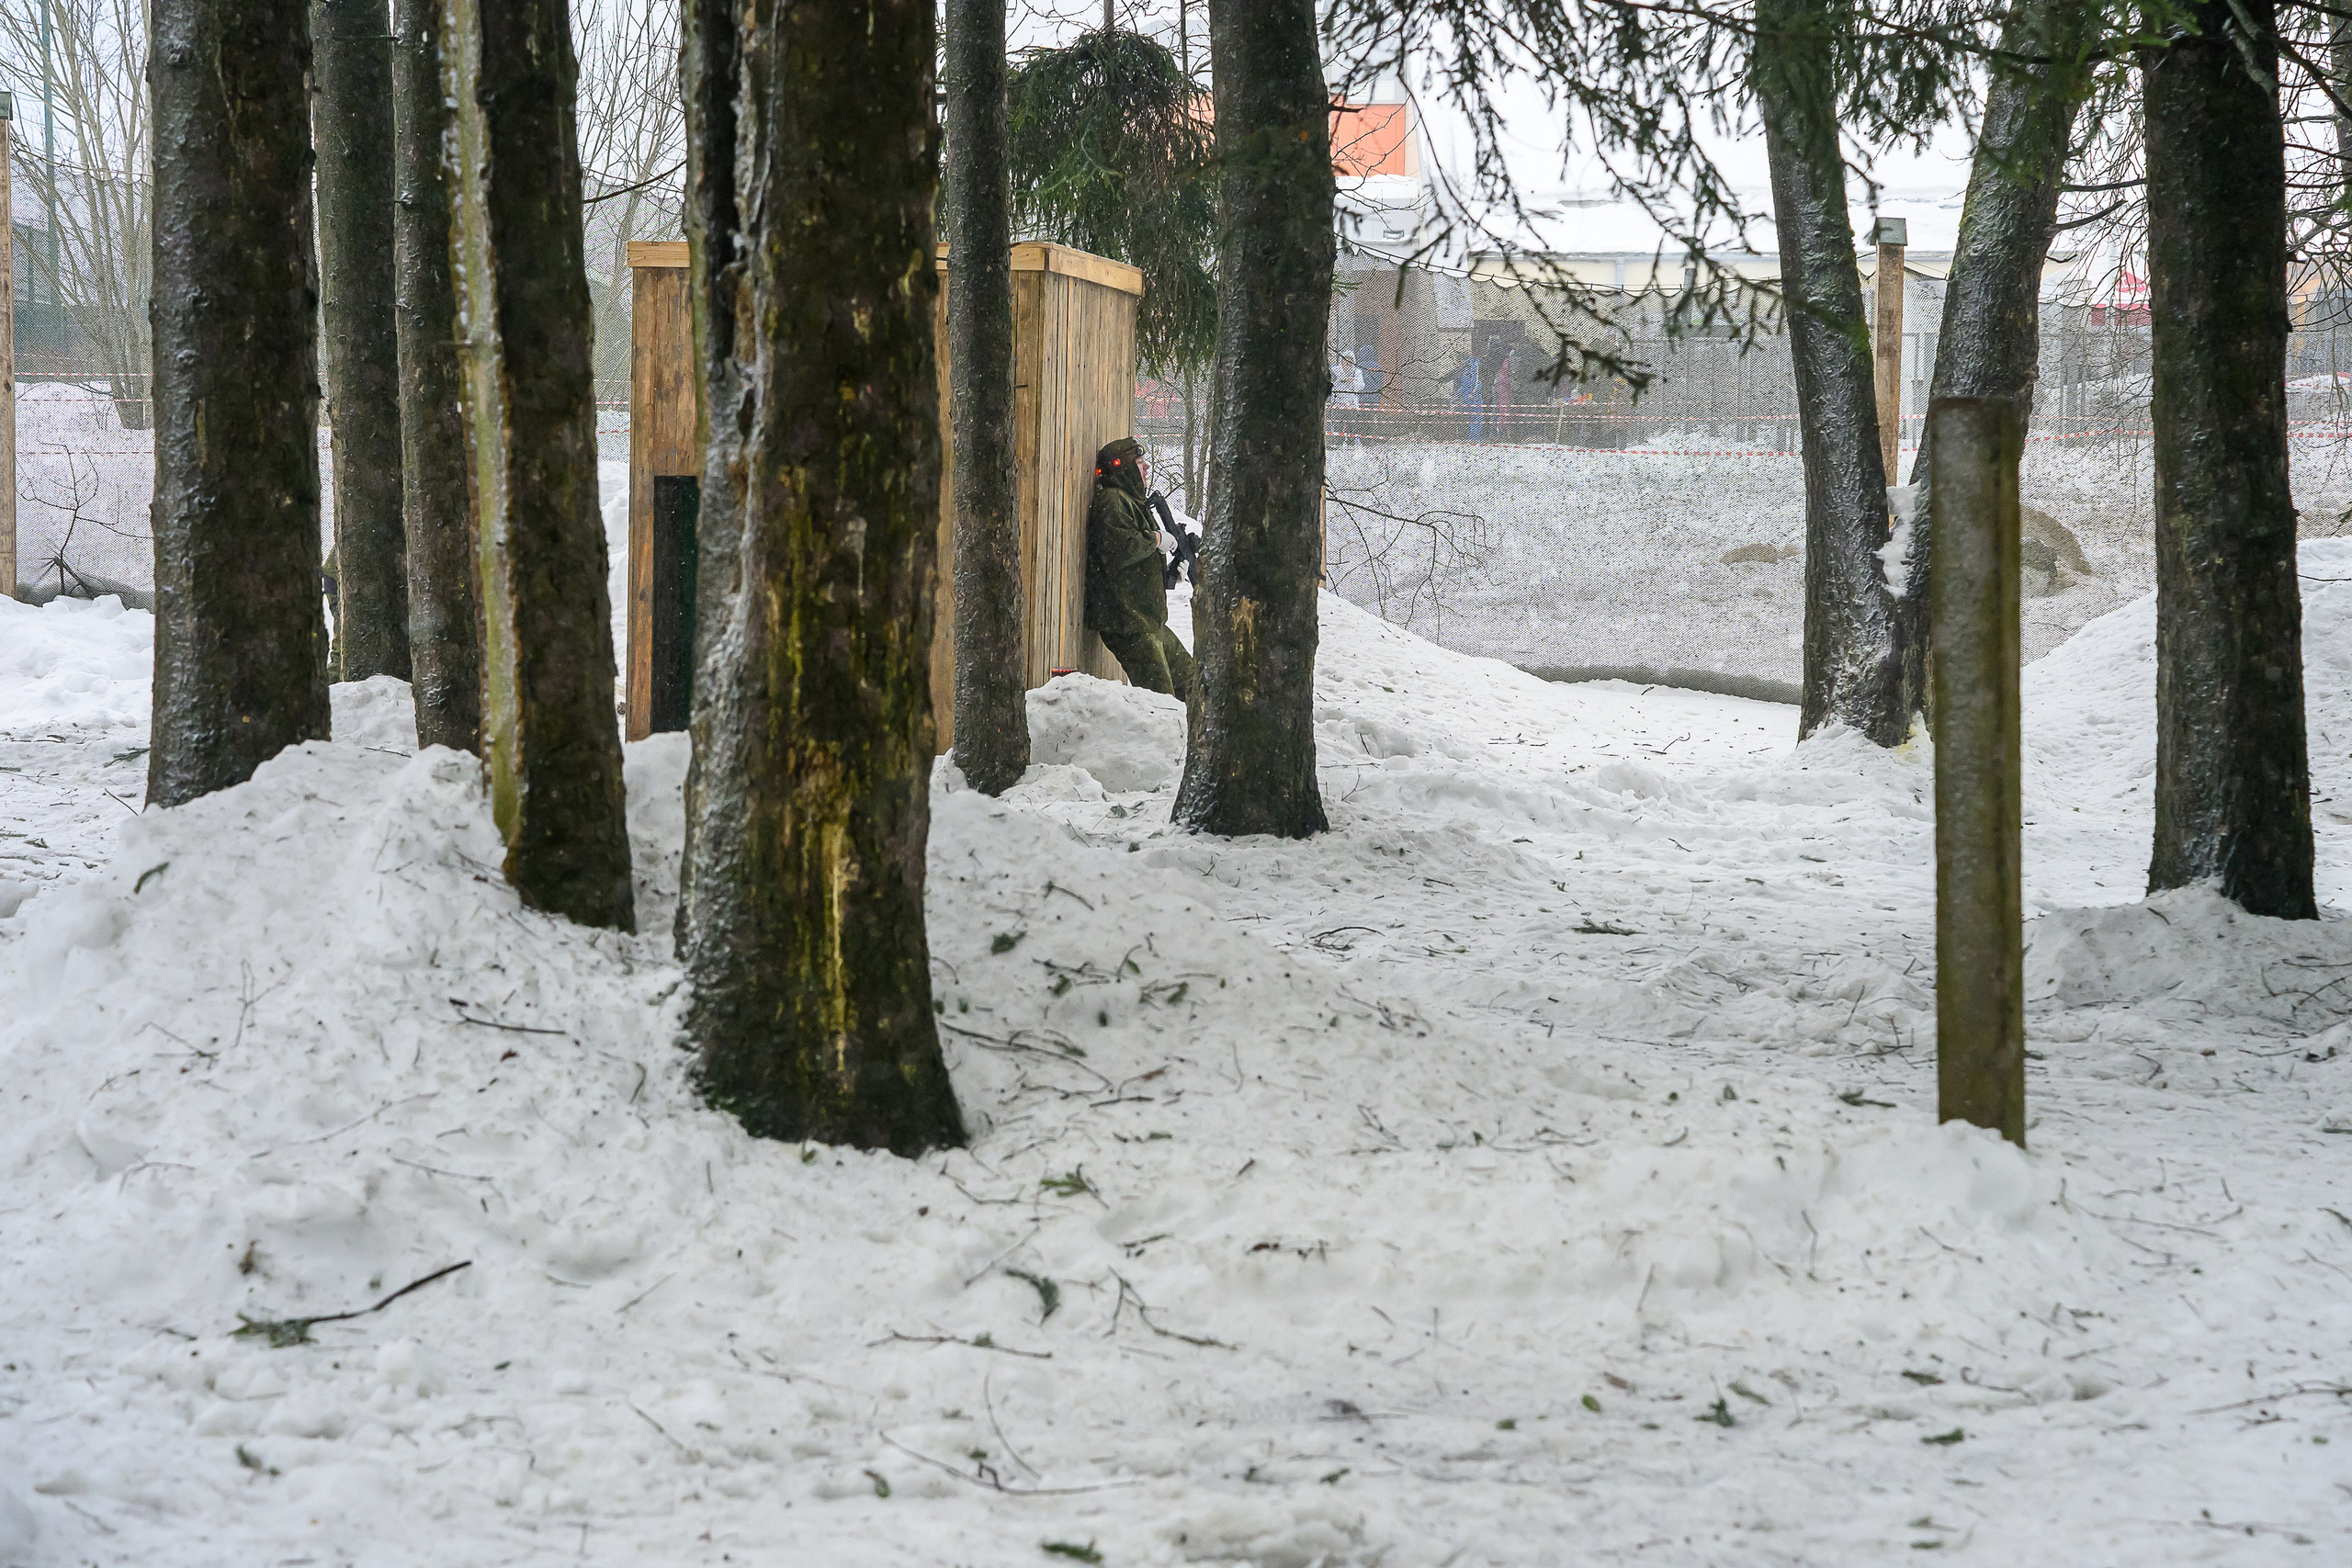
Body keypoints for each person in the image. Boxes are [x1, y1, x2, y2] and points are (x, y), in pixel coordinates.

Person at [1084, 437, 1197, 700]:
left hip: (1147, 621)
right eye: (1139, 463)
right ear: (1124, 469)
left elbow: (1136, 560)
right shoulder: (1113, 502)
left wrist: (1170, 571)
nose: (1146, 468)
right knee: (1162, 701)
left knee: (1192, 685)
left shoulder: (1131, 502)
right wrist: (1157, 539)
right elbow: (1119, 550)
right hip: (1128, 624)